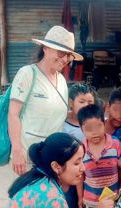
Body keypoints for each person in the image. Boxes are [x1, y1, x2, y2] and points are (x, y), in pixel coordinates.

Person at [8, 25, 83, 175]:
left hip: (54, 158)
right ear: (45, 48)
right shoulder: (28, 74)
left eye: (69, 55)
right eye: (61, 53)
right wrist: (17, 150)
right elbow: (13, 114)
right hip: (28, 156)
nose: (65, 59)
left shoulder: (61, 80)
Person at [76, 105, 121, 208]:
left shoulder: (115, 144)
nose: (95, 133)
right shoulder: (81, 149)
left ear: (104, 123)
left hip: (112, 201)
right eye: (89, 129)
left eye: (98, 127)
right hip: (90, 202)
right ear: (81, 128)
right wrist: (79, 197)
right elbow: (79, 176)